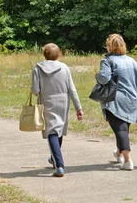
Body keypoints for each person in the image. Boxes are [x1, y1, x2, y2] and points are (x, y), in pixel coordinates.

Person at [97, 34, 137, 171]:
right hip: (133, 99)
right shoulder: (132, 61)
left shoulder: (107, 61)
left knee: (120, 129)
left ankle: (128, 160)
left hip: (116, 100)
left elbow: (104, 79)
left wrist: (97, 76)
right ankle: (119, 153)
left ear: (109, 47)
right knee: (124, 129)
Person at [31, 43, 83, 178]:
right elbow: (72, 89)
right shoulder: (64, 67)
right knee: (58, 130)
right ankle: (54, 158)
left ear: (44, 54)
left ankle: (59, 165)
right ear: (58, 54)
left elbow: (35, 91)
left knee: (51, 132)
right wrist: (79, 107)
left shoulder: (38, 68)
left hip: (47, 101)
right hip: (63, 101)